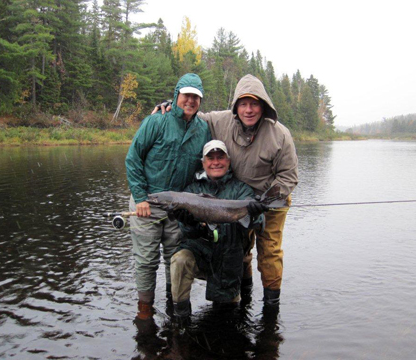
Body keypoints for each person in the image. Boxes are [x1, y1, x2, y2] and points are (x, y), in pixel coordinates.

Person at [154, 74, 298, 305]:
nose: (248, 110)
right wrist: (173, 106)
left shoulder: (280, 134)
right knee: (241, 246)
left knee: (269, 252)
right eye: (243, 104)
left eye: (254, 103)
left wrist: (266, 199)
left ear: (263, 106)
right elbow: (193, 114)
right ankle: (245, 293)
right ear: (236, 107)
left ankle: (271, 307)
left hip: (270, 198)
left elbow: (289, 175)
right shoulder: (221, 120)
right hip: (235, 197)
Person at [125, 73, 211, 321]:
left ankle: (174, 307)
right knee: (146, 261)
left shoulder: (202, 129)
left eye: (196, 97)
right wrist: (140, 197)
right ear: (176, 96)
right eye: (187, 95)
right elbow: (133, 159)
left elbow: (201, 170)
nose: (191, 101)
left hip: (179, 208)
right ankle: (144, 310)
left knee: (174, 259)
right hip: (146, 204)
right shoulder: (156, 121)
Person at [169, 140, 266, 322]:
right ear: (203, 163)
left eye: (220, 157)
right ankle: (181, 317)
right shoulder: (192, 190)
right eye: (210, 158)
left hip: (229, 257)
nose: (216, 162)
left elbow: (258, 223)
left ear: (228, 161)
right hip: (200, 253)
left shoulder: (241, 189)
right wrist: (189, 223)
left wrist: (254, 214)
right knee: (179, 259)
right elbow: (187, 233)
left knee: (228, 316)